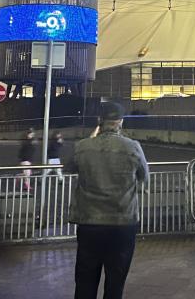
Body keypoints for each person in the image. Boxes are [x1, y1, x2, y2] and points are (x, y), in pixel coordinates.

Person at [65, 101, 149, 299]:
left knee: (85, 279)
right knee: (115, 280)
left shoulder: (83, 146)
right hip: (122, 222)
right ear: (120, 122)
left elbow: (68, 168)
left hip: (89, 222)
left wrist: (91, 139)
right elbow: (144, 177)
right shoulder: (132, 147)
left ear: (99, 121)